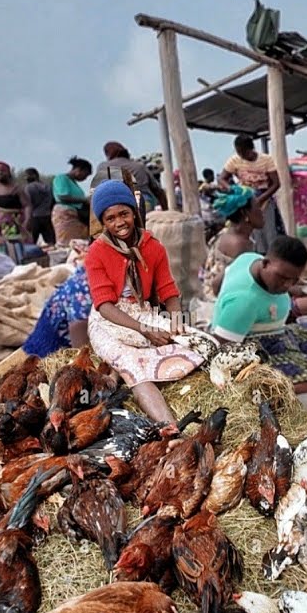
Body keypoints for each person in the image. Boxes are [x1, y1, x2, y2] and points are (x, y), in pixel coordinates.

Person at [85, 180, 204, 435]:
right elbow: (104, 305)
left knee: (199, 342)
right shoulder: (96, 252)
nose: (119, 223)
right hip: (110, 320)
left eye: (124, 214)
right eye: (110, 218)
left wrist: (176, 320)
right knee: (134, 367)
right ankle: (171, 429)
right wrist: (144, 329)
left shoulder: (153, 247)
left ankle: (118, 372)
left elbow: (168, 290)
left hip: (143, 312)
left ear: (134, 212)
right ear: (103, 222)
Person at [211, 236, 307, 394]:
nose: (287, 285)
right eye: (282, 278)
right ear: (265, 264)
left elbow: (217, 283)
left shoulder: (249, 258)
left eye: (294, 280)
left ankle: (299, 367)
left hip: (274, 334)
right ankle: (271, 392)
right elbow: (222, 353)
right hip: (257, 351)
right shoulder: (244, 302)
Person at [218, 135, 281, 253]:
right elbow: (222, 179)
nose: (241, 155)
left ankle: (272, 255)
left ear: (251, 149)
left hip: (264, 199)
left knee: (269, 231)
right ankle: (258, 255)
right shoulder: (234, 160)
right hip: (246, 201)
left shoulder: (266, 160)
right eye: (239, 152)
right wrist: (233, 189)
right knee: (254, 232)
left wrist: (260, 200)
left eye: (244, 152)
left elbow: (276, 184)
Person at [25, 264, 91, 357]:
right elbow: (78, 327)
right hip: (49, 351)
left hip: (65, 345)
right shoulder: (84, 287)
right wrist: (86, 361)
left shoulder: (90, 275)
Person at [92, 141, 166, 214]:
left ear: (108, 154)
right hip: (143, 203)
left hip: (118, 205)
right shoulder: (139, 166)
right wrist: (166, 211)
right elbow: (158, 191)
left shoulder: (103, 167)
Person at [0, 161, 32, 251]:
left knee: (15, 251)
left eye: (3, 171)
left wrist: (27, 222)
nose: (0, 173)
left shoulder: (16, 189)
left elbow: (27, 206)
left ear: (8, 173)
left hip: (15, 228)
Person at [52, 157, 93, 243]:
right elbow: (63, 197)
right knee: (67, 243)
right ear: (78, 170)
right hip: (65, 215)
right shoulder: (61, 178)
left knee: (77, 242)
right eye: (85, 175)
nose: (85, 178)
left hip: (75, 215)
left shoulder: (74, 183)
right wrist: (84, 200)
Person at [23, 168, 55, 246]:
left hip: (34, 217)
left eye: (27, 176)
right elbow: (53, 201)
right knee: (51, 242)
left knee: (30, 242)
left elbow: (27, 204)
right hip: (47, 216)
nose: (25, 178)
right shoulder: (48, 187)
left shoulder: (28, 187)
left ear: (34, 175)